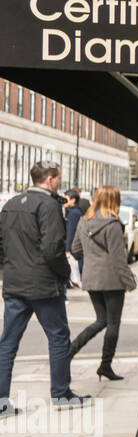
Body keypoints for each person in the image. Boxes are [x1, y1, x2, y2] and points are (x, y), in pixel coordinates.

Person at [0, 161, 89, 414]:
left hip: (15, 283)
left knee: (7, 343)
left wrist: (10, 269)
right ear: (49, 179)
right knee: (59, 338)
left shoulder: (10, 204)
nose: (60, 181)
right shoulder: (50, 205)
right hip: (43, 285)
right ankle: (61, 395)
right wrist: (65, 274)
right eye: (58, 177)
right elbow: (52, 249)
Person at [69, 186, 136, 381]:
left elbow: (75, 249)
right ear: (114, 200)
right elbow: (118, 259)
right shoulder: (113, 224)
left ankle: (70, 350)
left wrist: (93, 257)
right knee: (112, 322)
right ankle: (105, 365)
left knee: (101, 320)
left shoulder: (84, 221)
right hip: (112, 280)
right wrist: (130, 282)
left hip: (91, 277)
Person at [63, 187, 86, 277]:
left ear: (73, 200)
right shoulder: (73, 211)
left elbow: (71, 232)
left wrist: (68, 249)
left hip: (72, 247)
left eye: (66, 199)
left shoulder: (74, 213)